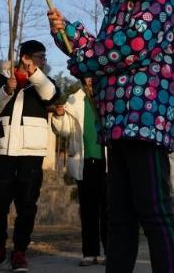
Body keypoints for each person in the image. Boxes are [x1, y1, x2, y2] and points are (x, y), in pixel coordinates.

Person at [47, 0, 174, 273]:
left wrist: (83, 59)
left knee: (154, 212)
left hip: (146, 115)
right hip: (120, 118)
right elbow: (105, 49)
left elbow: (132, 46)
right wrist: (68, 32)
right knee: (120, 217)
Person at [0, 40, 58, 272]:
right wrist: (6, 90)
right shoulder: (1, 80)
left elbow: (51, 96)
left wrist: (35, 74)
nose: (44, 61)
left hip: (30, 152)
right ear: (26, 57)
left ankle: (19, 252)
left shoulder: (44, 82)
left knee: (27, 205)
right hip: (3, 150)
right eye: (40, 57)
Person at [51, 80, 107, 266]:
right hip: (84, 163)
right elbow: (64, 130)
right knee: (88, 210)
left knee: (108, 210)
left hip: (107, 163)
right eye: (86, 78)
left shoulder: (107, 97)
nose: (89, 81)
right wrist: (59, 116)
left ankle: (109, 251)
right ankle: (89, 252)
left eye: (92, 77)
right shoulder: (73, 101)